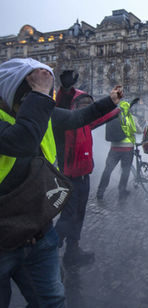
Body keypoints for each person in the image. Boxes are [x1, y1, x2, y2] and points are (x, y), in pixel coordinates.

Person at [0, 58, 122, 307]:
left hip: (40, 236)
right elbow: (21, 140)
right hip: (3, 242)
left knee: (53, 301)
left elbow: (79, 117)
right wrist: (41, 93)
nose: (37, 99)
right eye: (30, 93)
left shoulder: (39, 111)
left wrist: (110, 102)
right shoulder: (27, 112)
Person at [53, 70, 120, 266]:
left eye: (87, 105)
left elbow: (99, 116)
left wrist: (118, 109)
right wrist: (66, 88)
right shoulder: (65, 121)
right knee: (67, 218)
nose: (86, 108)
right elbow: (62, 103)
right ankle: (47, 255)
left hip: (84, 176)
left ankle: (72, 252)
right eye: (83, 105)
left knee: (78, 216)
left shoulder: (85, 124)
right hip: (68, 176)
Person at [96, 98, 142, 201]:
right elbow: (139, 131)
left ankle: (100, 191)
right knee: (125, 171)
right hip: (127, 150)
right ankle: (122, 191)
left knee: (108, 170)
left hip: (114, 149)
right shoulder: (131, 118)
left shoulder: (112, 118)